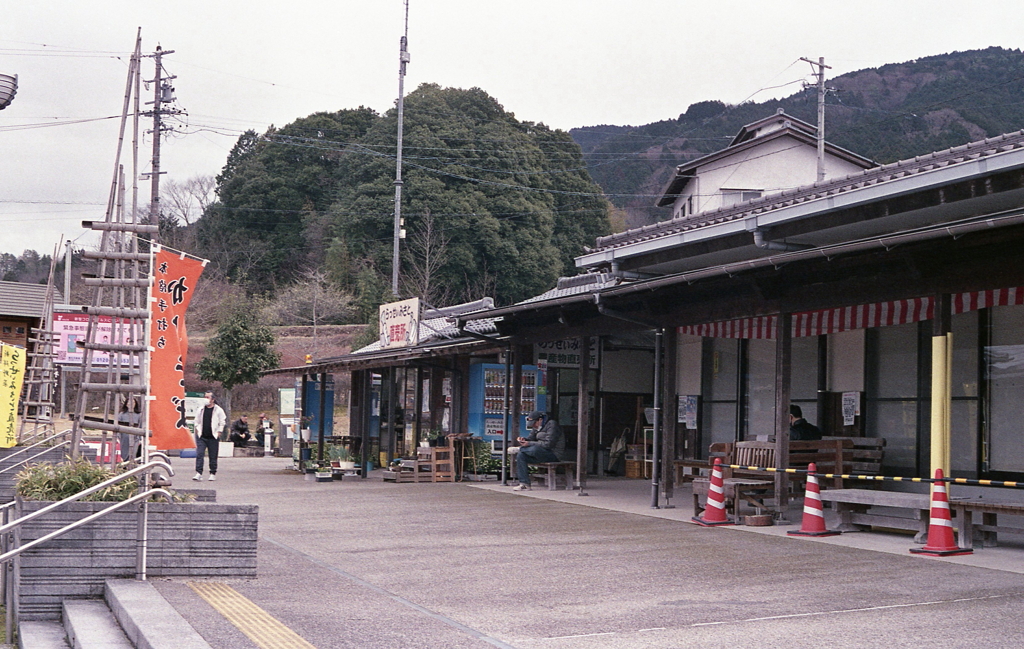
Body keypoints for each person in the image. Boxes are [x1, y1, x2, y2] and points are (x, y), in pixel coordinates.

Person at [512, 410, 565, 491]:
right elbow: (530, 438)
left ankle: (520, 449)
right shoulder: (536, 428)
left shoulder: (552, 424)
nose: (533, 426)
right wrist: (523, 440)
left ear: (540, 420)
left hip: (553, 454)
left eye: (534, 423)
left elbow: (548, 444)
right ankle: (524, 484)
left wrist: (529, 443)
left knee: (533, 449)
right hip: (540, 453)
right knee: (521, 456)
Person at [194, 391, 226, 481]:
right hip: (202, 436)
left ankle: (212, 473)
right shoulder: (200, 409)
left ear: (213, 399)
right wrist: (197, 430)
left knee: (213, 455)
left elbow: (222, 421)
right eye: (205, 397)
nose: (206, 399)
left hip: (213, 437)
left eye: (208, 397)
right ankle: (198, 473)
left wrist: (219, 432)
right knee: (200, 454)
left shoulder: (218, 410)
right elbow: (196, 421)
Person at [117, 397, 141, 463]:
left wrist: (140, 438)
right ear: (126, 404)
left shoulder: (139, 415)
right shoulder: (121, 415)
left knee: (133, 455)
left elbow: (141, 427)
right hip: (124, 438)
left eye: (133, 402)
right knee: (124, 455)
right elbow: (117, 427)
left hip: (135, 438)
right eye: (129, 402)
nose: (131, 404)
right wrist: (118, 437)